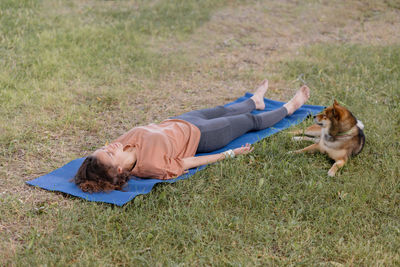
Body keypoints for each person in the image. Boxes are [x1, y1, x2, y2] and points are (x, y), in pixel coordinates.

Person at [74, 80, 310, 192]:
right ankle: (290, 107)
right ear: (117, 170)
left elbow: (110, 152)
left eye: (105, 147)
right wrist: (229, 153)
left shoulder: (123, 143)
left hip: (184, 120)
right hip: (204, 136)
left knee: (224, 109)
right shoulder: (151, 166)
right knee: (251, 122)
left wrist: (108, 153)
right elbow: (189, 162)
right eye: (108, 153)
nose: (111, 146)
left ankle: (254, 101)